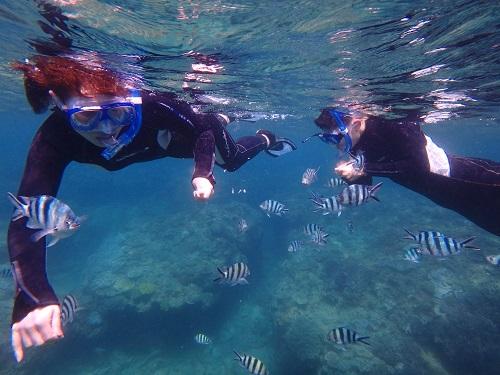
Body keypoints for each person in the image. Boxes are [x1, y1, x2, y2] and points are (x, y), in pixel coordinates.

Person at [7, 54, 296, 362]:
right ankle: (215, 112)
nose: (106, 131)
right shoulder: (53, 138)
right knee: (200, 119)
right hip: (166, 140)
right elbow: (24, 217)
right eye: (86, 116)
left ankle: (264, 136)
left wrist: (202, 173)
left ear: (131, 98)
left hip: (185, 135)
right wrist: (33, 298)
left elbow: (202, 134)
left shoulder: (154, 104)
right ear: (59, 104)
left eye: (119, 113)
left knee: (232, 159)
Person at [310, 108, 500, 235]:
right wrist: (350, 177)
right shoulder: (355, 145)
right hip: (447, 197)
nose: (335, 146)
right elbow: (364, 185)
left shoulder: (393, 124)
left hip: (471, 178)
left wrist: (362, 168)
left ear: (357, 123)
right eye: (327, 140)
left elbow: (418, 166)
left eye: (335, 139)